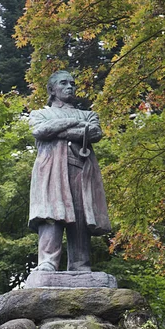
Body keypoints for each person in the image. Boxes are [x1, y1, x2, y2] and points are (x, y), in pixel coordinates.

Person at [28, 71, 111, 272]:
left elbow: (94, 132)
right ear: (52, 89)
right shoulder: (40, 114)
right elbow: (41, 131)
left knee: (82, 214)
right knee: (51, 214)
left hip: (81, 170)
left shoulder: (88, 114)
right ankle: (47, 262)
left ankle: (80, 265)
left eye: (72, 84)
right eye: (63, 83)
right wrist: (74, 124)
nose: (70, 87)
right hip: (50, 170)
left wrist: (59, 130)